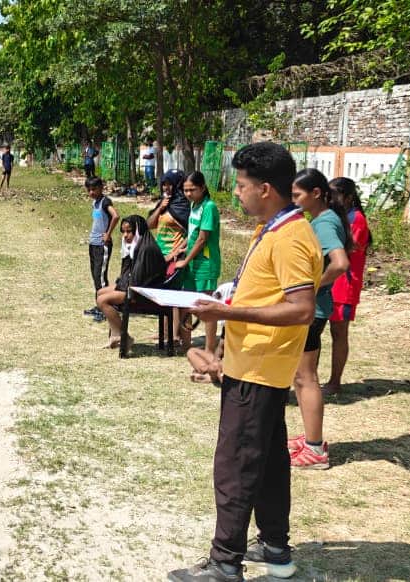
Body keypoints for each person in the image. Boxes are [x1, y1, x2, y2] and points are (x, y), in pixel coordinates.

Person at [176, 142, 318, 582]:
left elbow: (301, 309)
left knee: (236, 463)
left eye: (241, 185)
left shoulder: (291, 237)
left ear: (267, 189)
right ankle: (275, 547)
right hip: (254, 364)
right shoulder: (272, 228)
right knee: (269, 462)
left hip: (260, 369)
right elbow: (260, 291)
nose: (236, 192)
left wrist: (225, 314)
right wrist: (222, 305)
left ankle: (225, 563)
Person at [287, 168, 351, 471]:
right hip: (316, 308)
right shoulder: (323, 219)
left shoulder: (324, 222)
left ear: (315, 193)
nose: (293, 199)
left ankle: (315, 449)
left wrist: (312, 287)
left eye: (297, 194)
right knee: (301, 377)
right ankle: (311, 438)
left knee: (305, 377)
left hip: (313, 310)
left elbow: (340, 264)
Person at [93, 215, 169, 349]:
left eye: (129, 231)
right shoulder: (134, 246)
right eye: (123, 232)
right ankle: (116, 335)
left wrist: (122, 288)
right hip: (133, 286)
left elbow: (140, 280)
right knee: (100, 293)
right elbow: (127, 274)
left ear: (138, 230)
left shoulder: (147, 249)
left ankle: (123, 337)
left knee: (102, 300)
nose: (125, 235)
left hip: (145, 293)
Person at [325, 177, 371, 396]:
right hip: (330, 283)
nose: (331, 199)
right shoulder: (338, 217)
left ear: (348, 197)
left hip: (345, 285)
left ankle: (335, 381)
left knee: (339, 332)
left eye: (334, 195)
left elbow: (345, 249)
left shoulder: (357, 220)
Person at [176, 172, 222, 353]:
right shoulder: (194, 205)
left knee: (207, 307)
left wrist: (185, 260)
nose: (188, 194)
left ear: (202, 187)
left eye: (192, 190)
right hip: (191, 263)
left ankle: (210, 349)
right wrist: (179, 249)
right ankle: (186, 345)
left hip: (205, 263)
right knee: (188, 303)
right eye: (185, 190)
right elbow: (192, 233)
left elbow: (202, 239)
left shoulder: (209, 207)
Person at [83, 177, 119, 322]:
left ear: (101, 188)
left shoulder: (105, 202)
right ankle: (99, 305)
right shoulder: (95, 203)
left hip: (102, 245)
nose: (91, 192)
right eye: (89, 190)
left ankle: (106, 308)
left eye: (94, 189)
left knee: (101, 276)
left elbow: (115, 216)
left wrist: (108, 234)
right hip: (93, 243)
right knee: (95, 275)